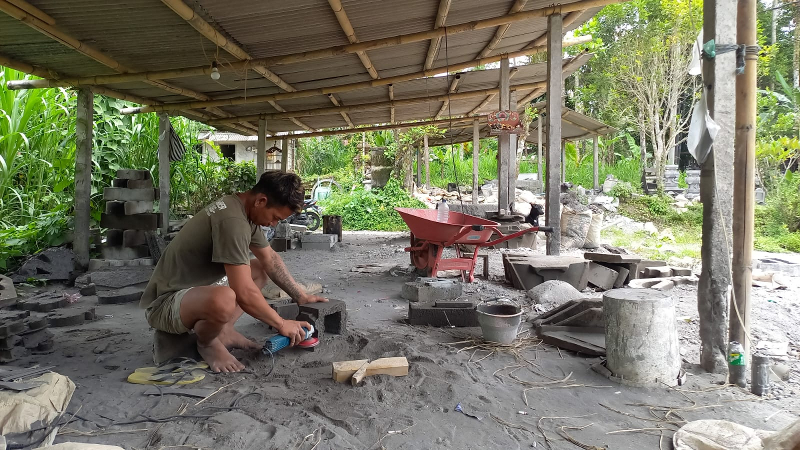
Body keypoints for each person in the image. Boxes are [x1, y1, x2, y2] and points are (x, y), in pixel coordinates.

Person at [140, 171, 327, 373]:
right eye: (275, 217)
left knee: (258, 269)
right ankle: (207, 344)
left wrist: (301, 296)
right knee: (225, 298)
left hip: (189, 296)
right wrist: (282, 324)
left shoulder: (243, 212)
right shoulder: (232, 221)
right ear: (261, 201)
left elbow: (270, 259)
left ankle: (225, 331)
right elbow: (244, 293)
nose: (273, 224)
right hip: (165, 304)